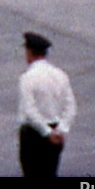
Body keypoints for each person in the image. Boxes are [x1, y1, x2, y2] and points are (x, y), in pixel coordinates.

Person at [18, 31, 75, 177]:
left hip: (34, 135)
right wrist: (61, 130)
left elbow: (29, 110)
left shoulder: (28, 78)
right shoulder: (60, 75)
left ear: (30, 52)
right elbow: (70, 107)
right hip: (56, 130)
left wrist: (46, 132)